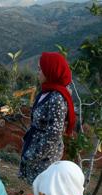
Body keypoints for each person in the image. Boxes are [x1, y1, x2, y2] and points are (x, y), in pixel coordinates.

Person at [19, 52, 76, 185]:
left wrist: (33, 155)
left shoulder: (57, 98)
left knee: (41, 191)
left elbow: (53, 135)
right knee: (35, 191)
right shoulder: (47, 91)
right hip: (36, 148)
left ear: (50, 71)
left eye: (40, 69)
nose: (38, 72)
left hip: (44, 157)